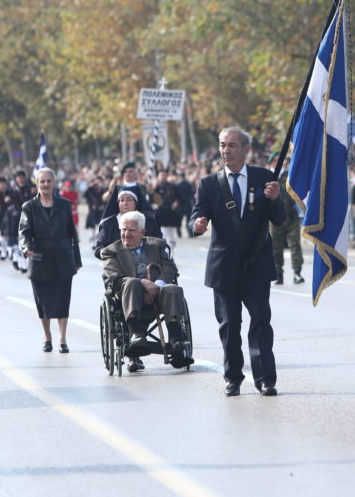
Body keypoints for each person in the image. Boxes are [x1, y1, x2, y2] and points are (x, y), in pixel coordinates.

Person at [190, 126, 284, 397]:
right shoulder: (209, 183)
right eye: (222, 145)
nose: (225, 150)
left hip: (256, 265)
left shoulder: (265, 178)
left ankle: (266, 379)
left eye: (232, 145)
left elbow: (279, 219)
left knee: (260, 324)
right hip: (224, 267)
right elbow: (197, 214)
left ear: (245, 150)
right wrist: (197, 224)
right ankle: (233, 378)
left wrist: (276, 200)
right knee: (230, 327)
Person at [100, 210, 193, 372]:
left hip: (158, 294)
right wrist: (143, 282)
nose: (126, 234)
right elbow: (113, 277)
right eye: (123, 230)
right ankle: (136, 334)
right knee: (132, 283)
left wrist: (157, 285)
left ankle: (175, 339)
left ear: (142, 231)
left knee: (173, 289)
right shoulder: (111, 251)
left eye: (131, 230)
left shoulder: (156, 245)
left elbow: (170, 268)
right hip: (129, 297)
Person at [19, 168, 81, 353]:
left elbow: (72, 233)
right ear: (37, 184)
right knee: (43, 302)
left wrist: (76, 258)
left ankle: (62, 339)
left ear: (54, 183)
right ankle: (47, 337)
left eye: (48, 181)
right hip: (39, 260)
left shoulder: (64, 204)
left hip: (63, 259)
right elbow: (23, 232)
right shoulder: (28, 207)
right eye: (42, 181)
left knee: (63, 300)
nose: (45, 184)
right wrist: (26, 247)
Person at [93, 188, 161, 258]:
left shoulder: (149, 223)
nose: (125, 203)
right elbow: (98, 249)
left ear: (135, 203)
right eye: (122, 200)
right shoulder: (108, 224)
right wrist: (112, 253)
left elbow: (159, 243)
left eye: (129, 200)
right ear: (118, 204)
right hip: (115, 265)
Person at [268, 152, 303, 285]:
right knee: (276, 247)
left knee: (295, 244)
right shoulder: (267, 177)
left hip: (291, 216)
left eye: (280, 160)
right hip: (274, 219)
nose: (279, 162)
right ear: (271, 162)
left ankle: (297, 272)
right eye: (276, 160)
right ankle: (278, 273)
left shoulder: (289, 176)